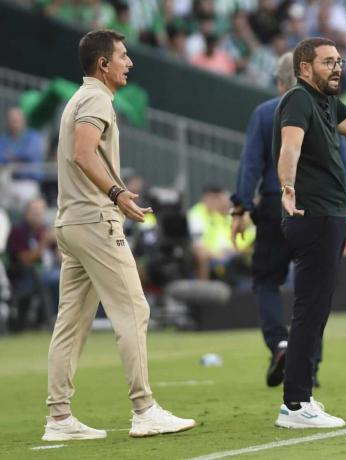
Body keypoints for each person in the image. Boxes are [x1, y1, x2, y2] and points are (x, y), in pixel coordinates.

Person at [43, 29, 195, 441]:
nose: (129, 63)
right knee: (133, 309)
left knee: (71, 322)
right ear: (102, 64)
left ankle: (58, 418)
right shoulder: (95, 98)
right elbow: (83, 151)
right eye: (123, 56)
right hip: (94, 220)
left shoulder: (80, 97)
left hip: (71, 222)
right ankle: (144, 409)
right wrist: (116, 192)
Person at [273, 37, 346, 428]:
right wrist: (287, 186)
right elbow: (289, 148)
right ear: (304, 68)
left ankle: (299, 396)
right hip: (315, 216)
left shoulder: (326, 103)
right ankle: (294, 403)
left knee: (315, 311)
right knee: (310, 311)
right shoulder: (299, 99)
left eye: (339, 61)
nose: (337, 67)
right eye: (327, 62)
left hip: (330, 216)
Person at [230, 52, 346, 388]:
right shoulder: (325, 107)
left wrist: (240, 208)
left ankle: (280, 344)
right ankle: (309, 364)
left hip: (275, 204)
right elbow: (339, 161)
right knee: (314, 289)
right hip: (319, 208)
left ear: (280, 80)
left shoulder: (265, 112)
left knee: (267, 280)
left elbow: (250, 164)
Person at [6, 196, 60, 331]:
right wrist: (44, 242)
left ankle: (54, 318)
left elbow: (60, 257)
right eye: (34, 211)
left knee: (65, 275)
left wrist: (60, 242)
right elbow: (26, 260)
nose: (38, 215)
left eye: (41, 211)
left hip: (46, 273)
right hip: (23, 277)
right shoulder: (18, 231)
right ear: (26, 213)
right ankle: (53, 319)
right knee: (59, 278)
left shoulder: (44, 229)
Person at [188, 185, 254, 283]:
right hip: (212, 256)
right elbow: (198, 246)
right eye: (221, 201)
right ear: (210, 199)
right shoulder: (196, 215)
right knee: (202, 254)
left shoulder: (221, 215)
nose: (226, 205)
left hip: (230, 253)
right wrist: (218, 254)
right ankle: (203, 288)